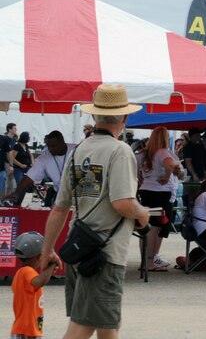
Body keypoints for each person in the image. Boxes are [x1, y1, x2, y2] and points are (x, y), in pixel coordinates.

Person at [41, 83, 150, 338]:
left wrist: (47, 251)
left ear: (94, 116)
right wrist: (143, 214)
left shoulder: (79, 150)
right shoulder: (120, 151)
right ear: (124, 118)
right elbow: (122, 203)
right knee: (84, 325)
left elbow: (59, 208)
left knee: (106, 325)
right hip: (104, 254)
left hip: (79, 246)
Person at [137, 127, 185, 271]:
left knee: (146, 226)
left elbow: (138, 172)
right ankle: (149, 261)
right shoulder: (163, 152)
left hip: (146, 191)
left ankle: (145, 261)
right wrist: (167, 175)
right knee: (155, 227)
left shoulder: (142, 154)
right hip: (161, 193)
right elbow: (169, 164)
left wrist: (143, 181)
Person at [5, 130, 75, 207]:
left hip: (78, 194)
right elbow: (29, 176)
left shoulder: (76, 150)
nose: (50, 149)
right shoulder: (45, 157)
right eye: (48, 146)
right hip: (60, 195)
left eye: (53, 146)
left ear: (62, 142)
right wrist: (17, 193)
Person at [11, 232, 59, 338]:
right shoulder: (27, 271)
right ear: (40, 256)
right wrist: (52, 264)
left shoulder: (23, 273)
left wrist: (49, 270)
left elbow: (39, 280)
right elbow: (40, 282)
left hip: (29, 330)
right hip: (26, 331)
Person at [8, 132, 34, 205]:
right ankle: (14, 202)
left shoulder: (26, 146)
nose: (29, 139)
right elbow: (12, 158)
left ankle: (18, 203)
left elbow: (31, 155)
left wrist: (32, 162)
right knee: (20, 185)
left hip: (27, 169)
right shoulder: (17, 146)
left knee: (25, 187)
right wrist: (20, 165)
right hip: (18, 169)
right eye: (28, 137)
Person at [0, 123, 17, 195]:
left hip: (9, 162)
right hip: (5, 162)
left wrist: (11, 164)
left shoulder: (14, 139)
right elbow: (8, 152)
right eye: (14, 128)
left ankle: (7, 196)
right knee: (6, 180)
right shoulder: (5, 138)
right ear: (9, 129)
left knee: (10, 180)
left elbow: (10, 152)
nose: (16, 130)